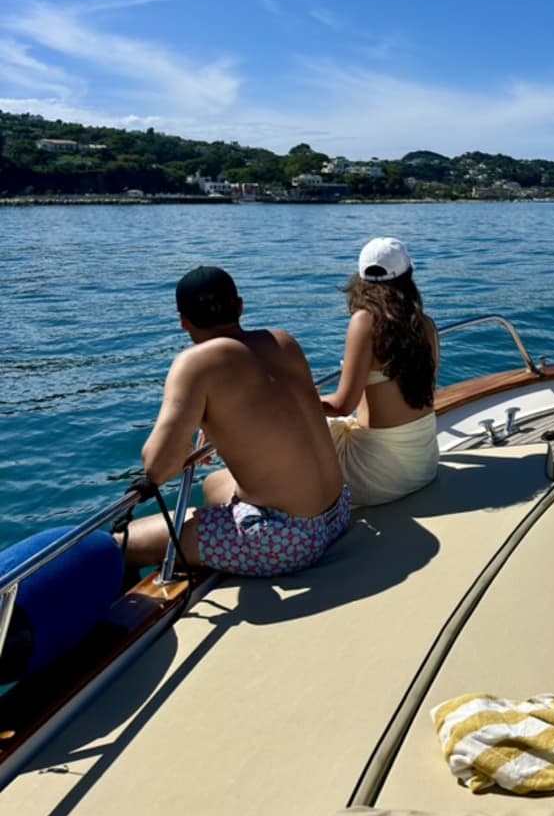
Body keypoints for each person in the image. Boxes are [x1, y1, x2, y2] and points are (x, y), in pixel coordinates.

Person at [122, 266, 350, 576]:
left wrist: (185, 443)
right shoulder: (283, 342)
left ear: (183, 321)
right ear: (240, 307)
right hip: (337, 514)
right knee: (213, 483)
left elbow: (157, 467)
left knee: (123, 542)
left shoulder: (196, 363)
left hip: (287, 543)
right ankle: (218, 540)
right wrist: (216, 423)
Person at [320, 237, 439, 506]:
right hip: (424, 466)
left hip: (380, 477)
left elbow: (342, 405)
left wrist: (296, 399)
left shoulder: (364, 321)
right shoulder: (427, 325)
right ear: (408, 275)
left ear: (360, 279)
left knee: (299, 426)